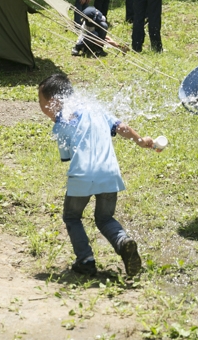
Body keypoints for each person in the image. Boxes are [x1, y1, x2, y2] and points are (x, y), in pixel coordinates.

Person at [38, 73, 154, 277]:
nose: (41, 107)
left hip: (82, 175)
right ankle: (123, 241)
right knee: (105, 217)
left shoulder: (61, 123)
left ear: (55, 102)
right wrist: (140, 140)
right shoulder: (96, 107)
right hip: (110, 173)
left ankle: (86, 260)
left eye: (41, 101)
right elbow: (122, 127)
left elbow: (68, 157)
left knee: (72, 217)